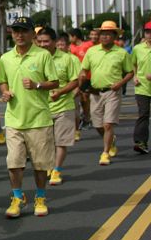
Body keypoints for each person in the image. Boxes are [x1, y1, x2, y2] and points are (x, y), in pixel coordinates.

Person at [0, 17, 59, 218]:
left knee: (40, 164)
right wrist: (5, 93)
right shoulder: (5, 58)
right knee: (14, 162)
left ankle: (40, 197)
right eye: (16, 31)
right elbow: (2, 82)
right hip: (14, 119)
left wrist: (37, 85)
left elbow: (55, 82)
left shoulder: (43, 56)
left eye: (23, 30)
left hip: (38, 119)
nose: (19, 35)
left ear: (33, 34)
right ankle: (17, 197)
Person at [79, 21, 134, 166]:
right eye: (102, 34)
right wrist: (83, 79)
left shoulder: (121, 53)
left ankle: (105, 152)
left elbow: (130, 73)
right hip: (95, 92)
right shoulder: (92, 51)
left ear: (114, 36)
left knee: (108, 124)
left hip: (112, 92)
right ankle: (111, 141)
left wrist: (120, 84)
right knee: (98, 125)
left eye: (108, 34)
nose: (104, 37)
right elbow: (84, 69)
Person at [36, 28, 81, 185]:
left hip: (63, 106)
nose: (42, 44)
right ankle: (49, 165)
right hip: (41, 108)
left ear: (54, 42)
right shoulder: (34, 58)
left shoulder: (68, 59)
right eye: (39, 41)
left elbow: (75, 81)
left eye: (46, 41)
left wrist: (61, 92)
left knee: (60, 141)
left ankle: (56, 170)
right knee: (45, 142)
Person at [131, 21, 151, 154]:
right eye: (148, 32)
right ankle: (140, 142)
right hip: (142, 87)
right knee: (143, 114)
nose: (149, 35)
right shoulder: (138, 48)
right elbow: (133, 64)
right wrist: (135, 76)